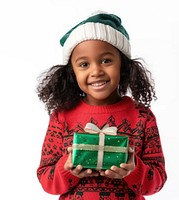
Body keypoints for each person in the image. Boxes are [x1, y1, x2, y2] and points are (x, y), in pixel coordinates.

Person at [36, 11, 167, 200]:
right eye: (84, 64)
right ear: (72, 73)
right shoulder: (62, 116)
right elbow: (46, 180)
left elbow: (158, 179)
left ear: (123, 65)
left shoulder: (142, 116)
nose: (96, 71)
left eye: (106, 61)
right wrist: (67, 169)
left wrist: (134, 170)